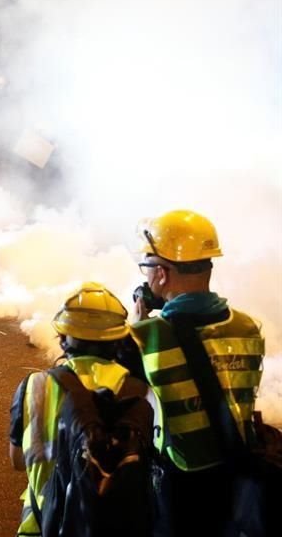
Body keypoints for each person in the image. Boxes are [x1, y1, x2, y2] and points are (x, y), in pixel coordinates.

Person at [129, 209, 265, 537]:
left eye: (147, 266)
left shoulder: (147, 336)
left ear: (162, 274)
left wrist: (137, 328)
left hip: (180, 480)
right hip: (236, 468)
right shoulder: (248, 327)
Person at [9, 283, 151, 537]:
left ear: (64, 340)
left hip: (43, 524)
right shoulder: (140, 390)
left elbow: (18, 460)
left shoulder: (36, 385)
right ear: (118, 341)